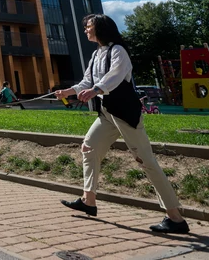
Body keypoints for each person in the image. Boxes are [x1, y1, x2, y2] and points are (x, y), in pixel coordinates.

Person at [54, 14, 189, 234]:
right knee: (88, 147)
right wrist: (68, 91)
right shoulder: (97, 54)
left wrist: (96, 90)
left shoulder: (118, 51)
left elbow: (113, 78)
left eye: (88, 26)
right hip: (106, 114)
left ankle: (175, 218)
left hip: (125, 114)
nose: (86, 29)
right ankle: (88, 201)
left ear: (100, 28)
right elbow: (87, 81)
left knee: (145, 160)